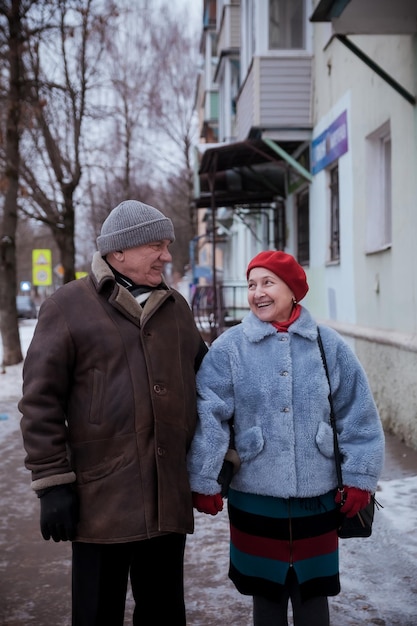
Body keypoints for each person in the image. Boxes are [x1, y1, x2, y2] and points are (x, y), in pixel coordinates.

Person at [19, 199, 208, 626]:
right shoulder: (68, 306)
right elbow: (39, 401)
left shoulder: (176, 307)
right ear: (118, 252)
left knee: (163, 614)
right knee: (96, 613)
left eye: (167, 246)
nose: (166, 255)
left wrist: (215, 456)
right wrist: (52, 484)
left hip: (166, 500)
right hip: (100, 499)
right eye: (156, 246)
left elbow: (207, 384)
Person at [187, 250, 385, 626]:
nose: (257, 293)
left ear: (292, 290)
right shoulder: (230, 348)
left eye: (267, 283)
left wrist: (360, 477)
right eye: (251, 285)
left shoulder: (328, 345)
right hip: (255, 497)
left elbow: (357, 413)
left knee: (314, 594)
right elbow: (208, 414)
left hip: (318, 497)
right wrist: (204, 477)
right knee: (266, 596)